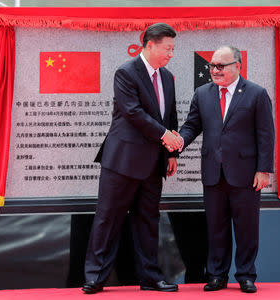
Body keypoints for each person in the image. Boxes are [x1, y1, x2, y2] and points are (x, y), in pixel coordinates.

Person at [82, 23, 182, 294]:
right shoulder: (126, 73)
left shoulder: (168, 77)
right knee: (108, 218)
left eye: (173, 49)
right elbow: (133, 112)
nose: (171, 54)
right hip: (123, 161)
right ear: (150, 44)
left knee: (148, 221)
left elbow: (169, 116)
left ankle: (151, 278)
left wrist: (171, 153)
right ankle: (95, 277)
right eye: (167, 48)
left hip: (153, 164)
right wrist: (165, 136)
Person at [176, 46, 275, 293]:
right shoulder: (202, 94)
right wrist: (176, 143)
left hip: (245, 174)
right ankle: (217, 275)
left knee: (247, 229)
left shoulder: (256, 94)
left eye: (221, 66)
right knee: (216, 227)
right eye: (212, 66)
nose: (215, 70)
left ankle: (246, 275)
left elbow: (266, 135)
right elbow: (191, 126)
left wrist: (264, 169)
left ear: (237, 66)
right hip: (213, 173)